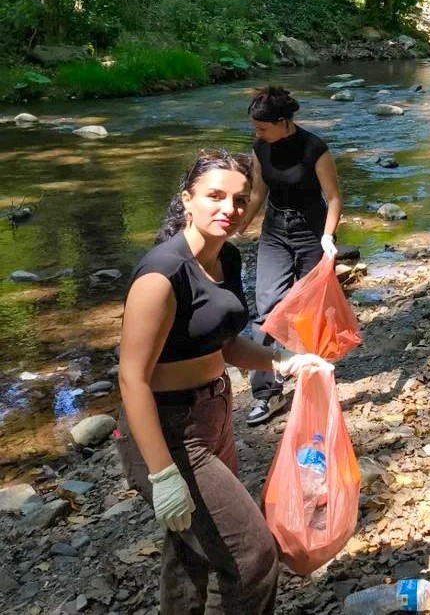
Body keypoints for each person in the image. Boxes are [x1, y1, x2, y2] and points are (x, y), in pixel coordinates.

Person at [115, 149, 332, 614]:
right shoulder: (161, 274)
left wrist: (286, 361)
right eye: (215, 196)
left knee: (194, 550)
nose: (229, 209)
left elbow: (227, 346)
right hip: (167, 430)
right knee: (253, 557)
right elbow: (131, 379)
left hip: (214, 414)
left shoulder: (226, 258)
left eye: (240, 199)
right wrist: (162, 474)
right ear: (187, 199)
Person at [236, 86, 343, 425]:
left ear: (283, 122)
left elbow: (334, 197)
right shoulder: (260, 148)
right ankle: (267, 393)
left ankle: (316, 376)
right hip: (275, 230)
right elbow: (258, 193)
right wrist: (238, 226)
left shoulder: (314, 149)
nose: (257, 133)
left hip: (312, 230)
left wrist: (328, 236)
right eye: (255, 127)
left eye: (262, 128)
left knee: (313, 310)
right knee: (267, 307)